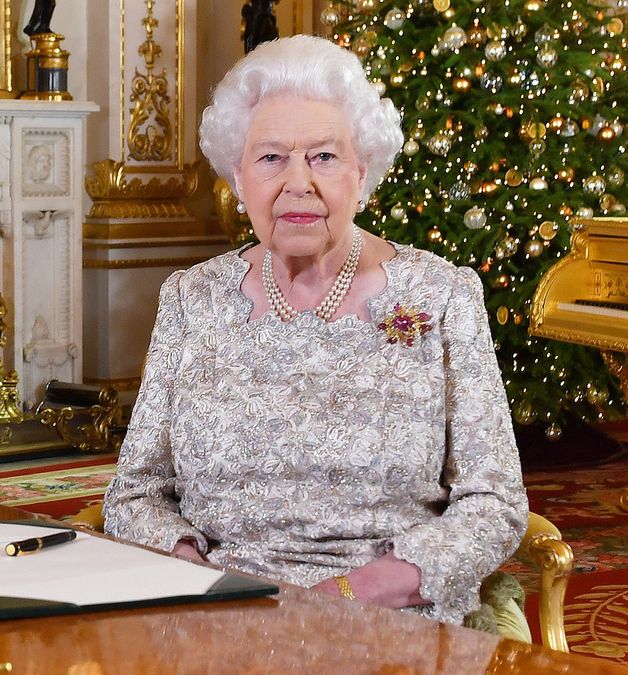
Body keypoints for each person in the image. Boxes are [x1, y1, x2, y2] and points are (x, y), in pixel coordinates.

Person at [104, 35, 528, 629]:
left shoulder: (442, 295)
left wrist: (354, 594)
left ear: (362, 171)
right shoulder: (189, 299)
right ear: (237, 175)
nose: (297, 183)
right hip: (223, 612)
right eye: (271, 157)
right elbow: (134, 495)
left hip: (390, 619)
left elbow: (495, 505)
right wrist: (191, 572)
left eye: (324, 157)